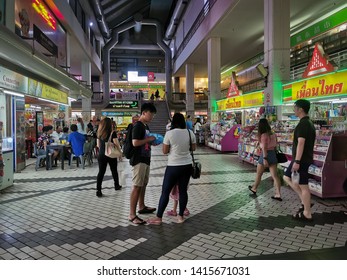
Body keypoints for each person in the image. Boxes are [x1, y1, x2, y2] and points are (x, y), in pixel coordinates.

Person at [147, 113, 196, 225]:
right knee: (183, 191)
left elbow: (164, 151)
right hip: (187, 165)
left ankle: (159, 218)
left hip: (173, 166)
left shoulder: (169, 133)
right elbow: (193, 148)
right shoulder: (190, 133)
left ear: (173, 122)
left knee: (165, 191)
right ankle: (180, 217)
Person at [283, 99, 316, 221]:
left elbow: (301, 143)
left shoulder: (304, 124)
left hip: (301, 160)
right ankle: (304, 201)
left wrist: (297, 161)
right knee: (286, 177)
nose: (294, 110)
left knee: (304, 186)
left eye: (295, 107)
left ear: (301, 109)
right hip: (302, 159)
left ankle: (307, 212)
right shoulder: (308, 123)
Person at [128, 102, 157, 225]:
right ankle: (132, 215)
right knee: (136, 186)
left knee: (143, 184)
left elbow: (145, 142)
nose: (152, 117)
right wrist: (148, 139)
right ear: (144, 113)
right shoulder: (138, 126)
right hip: (138, 160)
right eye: (151, 114)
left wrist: (152, 142)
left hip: (146, 159)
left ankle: (141, 206)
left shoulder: (145, 126)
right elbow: (135, 142)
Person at [248, 118, 282, 200]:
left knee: (259, 174)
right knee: (275, 176)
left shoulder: (263, 135)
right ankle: (278, 194)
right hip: (273, 154)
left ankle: (254, 188)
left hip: (265, 155)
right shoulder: (273, 134)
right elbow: (275, 145)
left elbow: (264, 148)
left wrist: (265, 158)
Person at [95, 118, 122, 197]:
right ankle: (116, 185)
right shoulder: (112, 133)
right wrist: (120, 153)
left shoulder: (99, 133)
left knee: (101, 172)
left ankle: (98, 190)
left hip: (102, 154)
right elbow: (117, 144)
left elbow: (98, 145)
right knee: (114, 170)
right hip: (111, 154)